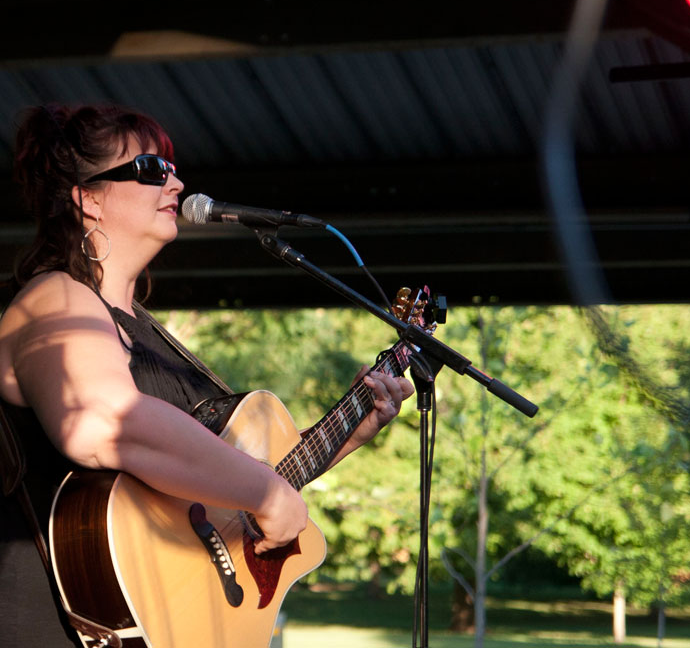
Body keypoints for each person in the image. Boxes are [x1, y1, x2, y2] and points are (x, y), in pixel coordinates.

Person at [0, 102, 413, 646]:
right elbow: (99, 423)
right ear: (88, 199)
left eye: (171, 168)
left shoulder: (144, 333)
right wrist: (265, 491)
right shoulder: (54, 300)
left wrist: (347, 436)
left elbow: (211, 501)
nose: (177, 181)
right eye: (151, 169)